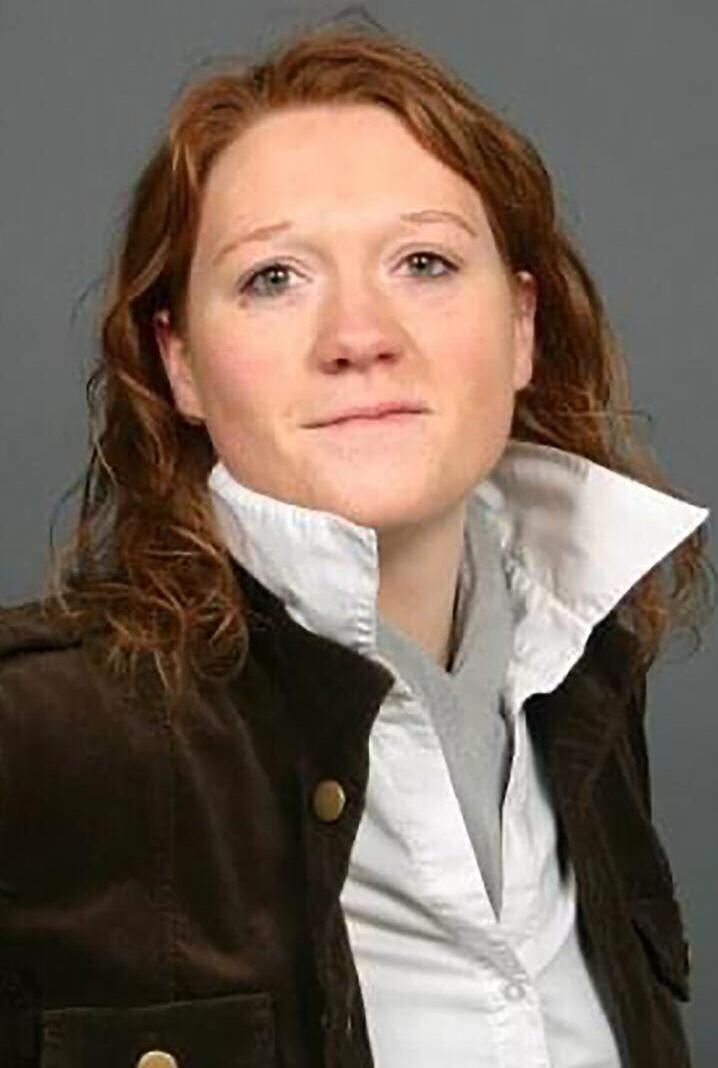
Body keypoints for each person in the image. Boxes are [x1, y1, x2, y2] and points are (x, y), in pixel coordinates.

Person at [0, 14, 714, 1068]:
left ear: (520, 327)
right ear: (181, 363)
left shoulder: (589, 675)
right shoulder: (35, 736)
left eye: (424, 261)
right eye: (273, 278)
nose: (359, 337)